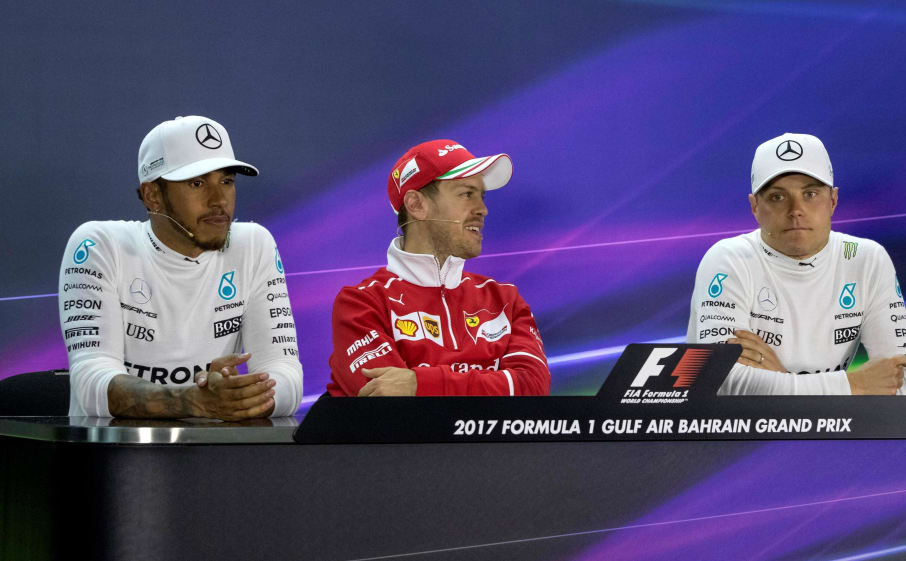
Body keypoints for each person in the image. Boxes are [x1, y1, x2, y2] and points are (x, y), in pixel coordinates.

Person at [59, 115, 303, 418]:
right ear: (153, 196)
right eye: (197, 183)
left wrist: (240, 396)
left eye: (226, 181)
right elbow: (90, 384)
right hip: (114, 456)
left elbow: (286, 373)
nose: (219, 200)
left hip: (216, 456)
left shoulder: (254, 244)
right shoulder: (99, 245)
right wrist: (194, 401)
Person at [687, 133, 906, 395]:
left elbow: (904, 386)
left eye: (810, 194)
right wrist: (853, 385)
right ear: (754, 207)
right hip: (743, 435)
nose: (796, 209)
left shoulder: (867, 259)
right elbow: (725, 383)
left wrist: (782, 381)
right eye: (777, 197)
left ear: (833, 200)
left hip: (832, 434)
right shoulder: (728, 259)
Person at [327, 140, 550, 396]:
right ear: (416, 205)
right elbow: (391, 410)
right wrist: (493, 385)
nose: (483, 210)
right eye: (466, 194)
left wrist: (419, 384)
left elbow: (532, 389)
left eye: (482, 196)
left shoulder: (505, 300)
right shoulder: (362, 304)